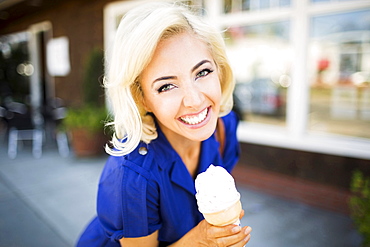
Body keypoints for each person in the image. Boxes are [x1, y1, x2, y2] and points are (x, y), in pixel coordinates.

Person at [77, 2, 252, 246]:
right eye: (166, 86)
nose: (195, 101)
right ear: (142, 98)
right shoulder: (131, 175)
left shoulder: (224, 126)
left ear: (219, 70)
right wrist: (201, 241)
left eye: (202, 72)